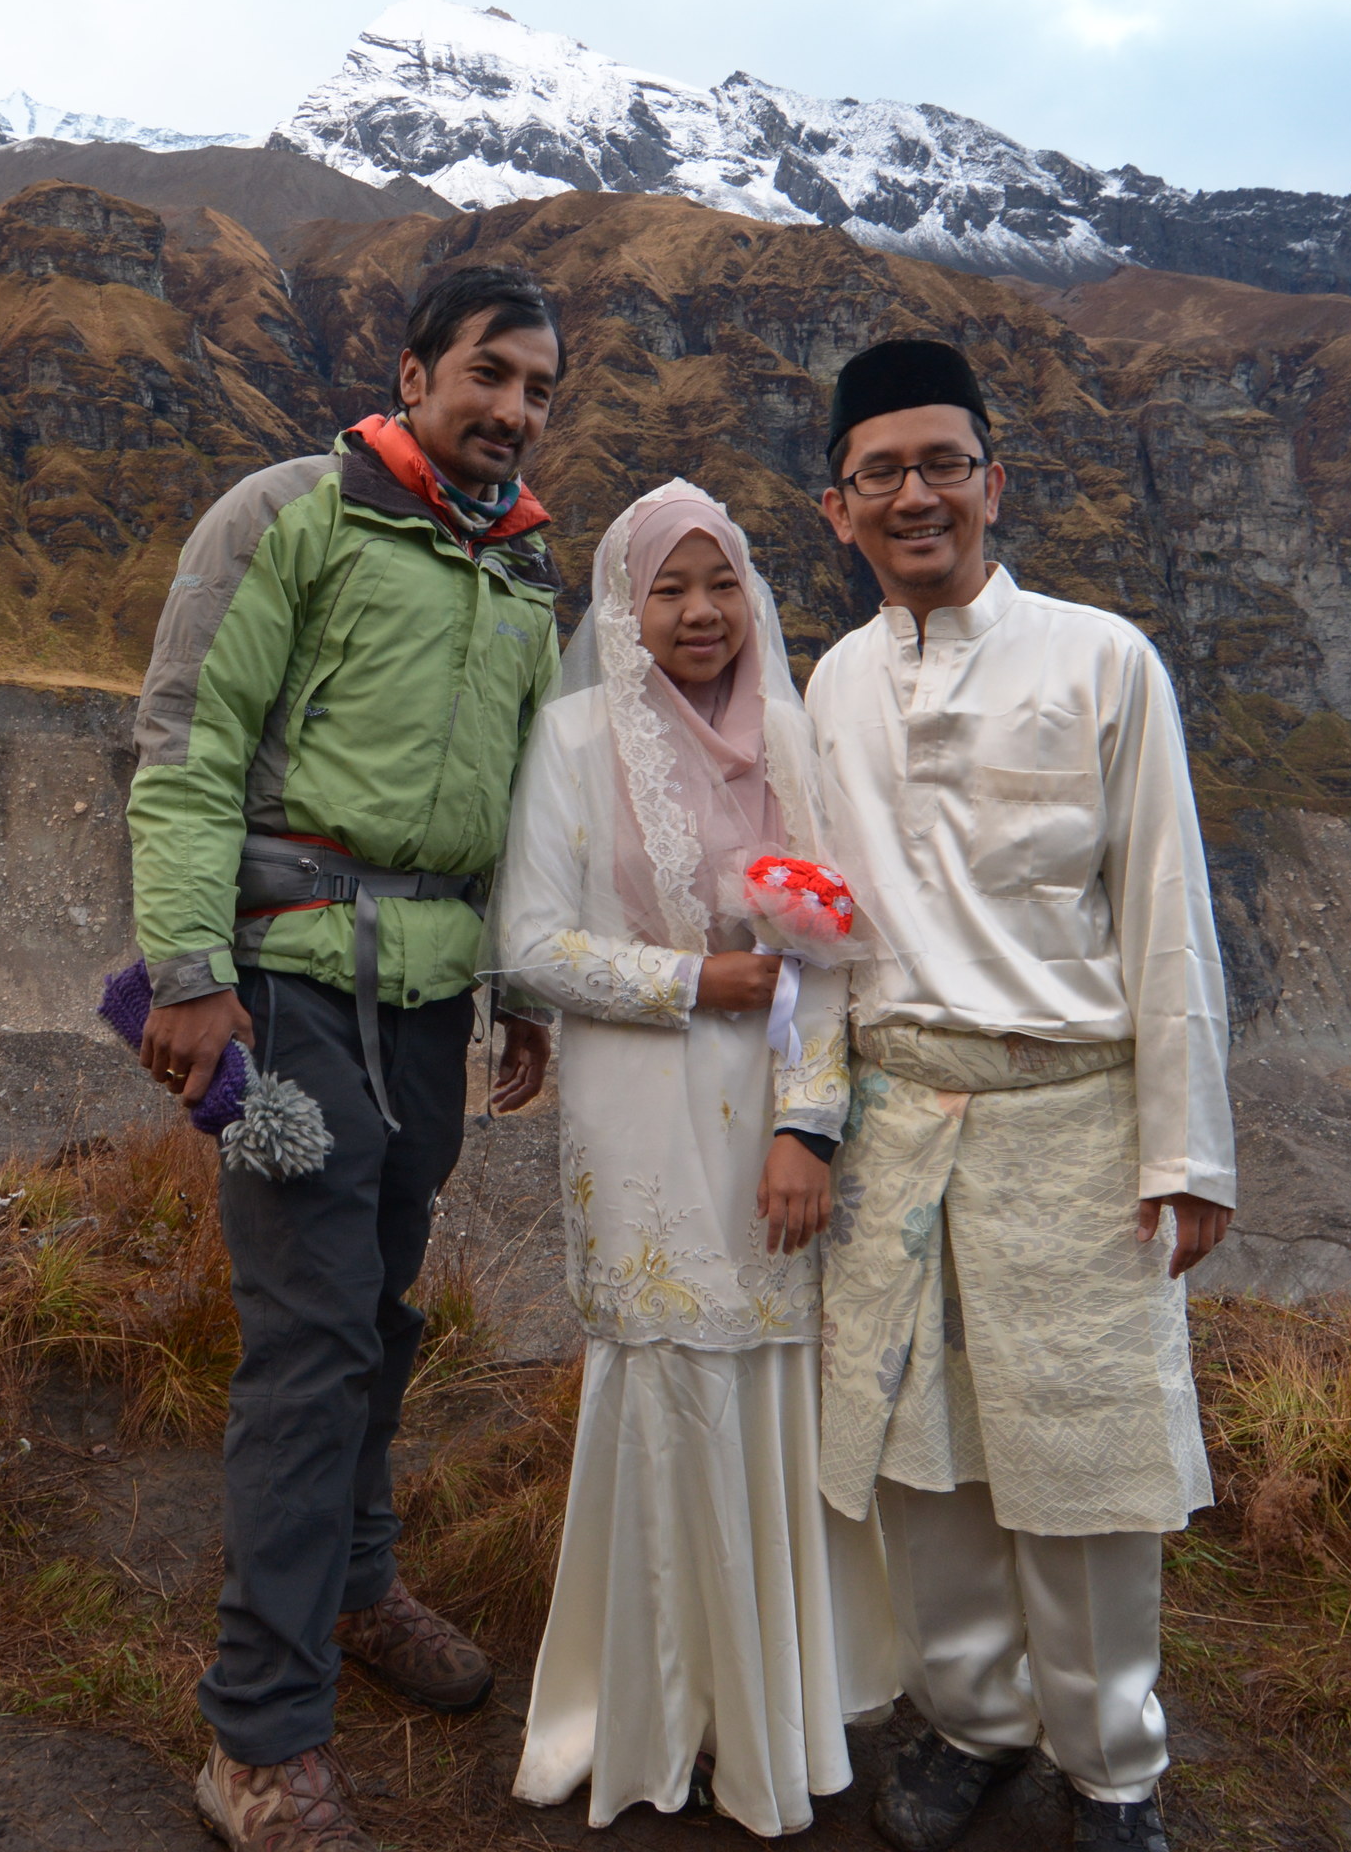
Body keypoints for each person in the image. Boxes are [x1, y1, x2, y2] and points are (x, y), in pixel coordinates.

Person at [125, 262, 568, 1852]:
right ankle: (257, 1737)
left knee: (378, 1311)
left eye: (538, 390)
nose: (513, 410)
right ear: (413, 373)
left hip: (430, 1006)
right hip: (286, 992)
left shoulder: (522, 576)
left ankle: (360, 1586)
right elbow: (187, 743)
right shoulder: (288, 516)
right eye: (490, 374)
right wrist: (190, 977)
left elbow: (527, 804)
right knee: (311, 1336)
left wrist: (521, 983)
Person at [802, 339, 1236, 1852]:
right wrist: (810, 1114)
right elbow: (822, 931)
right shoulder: (833, 683)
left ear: (995, 481)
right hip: (900, 1124)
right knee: (924, 1455)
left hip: (1074, 1122)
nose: (914, 496)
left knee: (1086, 1464)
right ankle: (972, 1719)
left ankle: (1111, 1763)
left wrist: (1186, 1151)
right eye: (880, 473)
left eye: (942, 464)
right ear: (838, 508)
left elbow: (1167, 905)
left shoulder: (1103, 661)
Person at [491, 481, 900, 1839]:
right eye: (667, 588)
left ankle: (768, 1721)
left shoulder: (789, 735)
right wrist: (691, 982)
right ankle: (656, 1713)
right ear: (623, 607)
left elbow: (832, 956)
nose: (700, 613)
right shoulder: (574, 738)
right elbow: (529, 945)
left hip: (764, 1127)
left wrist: (806, 1127)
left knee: (769, 1384)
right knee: (665, 1379)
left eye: (720, 582)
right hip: (636, 1120)